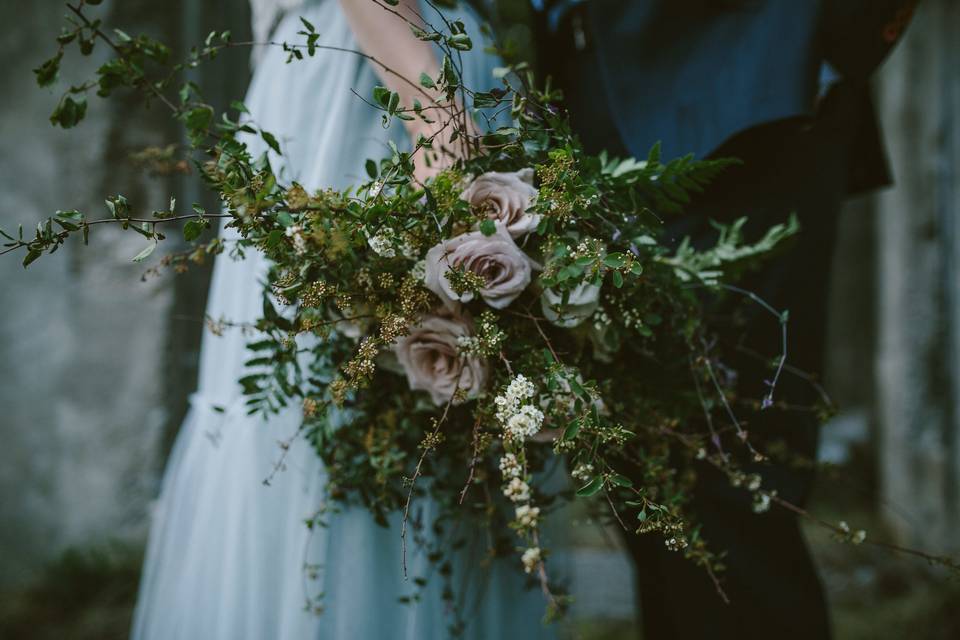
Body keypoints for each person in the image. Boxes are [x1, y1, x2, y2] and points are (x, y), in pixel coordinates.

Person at [132, 1, 559, 638]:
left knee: (455, 412)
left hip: (439, 62)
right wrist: (436, 116)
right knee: (334, 404)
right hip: (371, 84)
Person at [535, 0, 918, 637]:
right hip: (593, 85)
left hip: (749, 92)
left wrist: (834, 43)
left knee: (727, 475)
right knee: (646, 477)